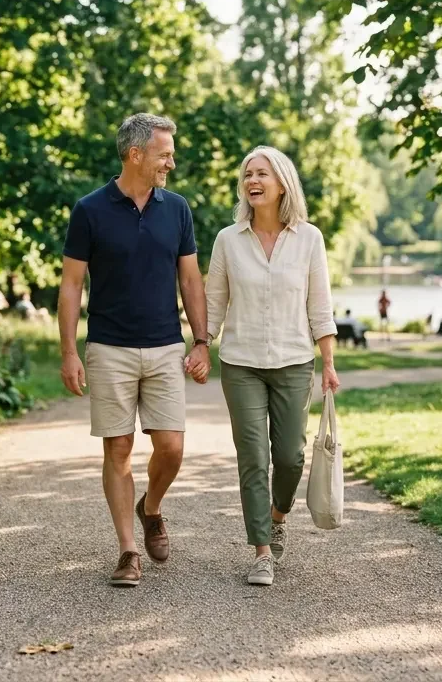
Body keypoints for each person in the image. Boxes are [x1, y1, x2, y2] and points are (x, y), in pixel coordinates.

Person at [58, 113, 210, 588]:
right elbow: (71, 285)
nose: (171, 161)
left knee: (171, 447)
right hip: (109, 347)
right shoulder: (90, 209)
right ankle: (127, 550)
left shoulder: (177, 209)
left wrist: (202, 341)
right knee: (118, 449)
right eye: (165, 152)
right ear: (135, 154)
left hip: (166, 344)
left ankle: (152, 507)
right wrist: (68, 351)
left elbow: (190, 278)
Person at [206, 145, 341, 587]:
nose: (252, 181)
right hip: (241, 362)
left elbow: (319, 304)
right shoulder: (228, 239)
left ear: (282, 182)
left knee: (289, 457)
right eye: (247, 174)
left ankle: (278, 516)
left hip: (293, 361)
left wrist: (328, 362)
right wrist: (200, 344)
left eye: (261, 173)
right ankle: (262, 551)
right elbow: (214, 303)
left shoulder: (309, 238)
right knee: (252, 458)